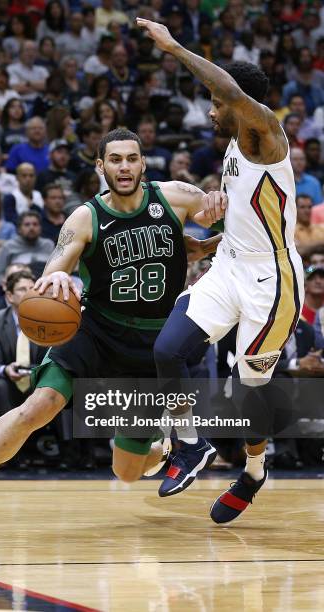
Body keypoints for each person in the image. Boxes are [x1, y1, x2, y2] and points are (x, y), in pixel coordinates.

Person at [0, 128, 225, 532]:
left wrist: (218, 209)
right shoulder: (85, 217)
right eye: (114, 159)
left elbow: (220, 216)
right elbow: (50, 272)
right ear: (101, 166)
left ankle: (166, 448)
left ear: (142, 163)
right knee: (37, 406)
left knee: (129, 471)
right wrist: (58, 281)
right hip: (96, 331)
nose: (124, 166)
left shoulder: (175, 196)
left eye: (131, 158)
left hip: (152, 345)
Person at [135, 18, 304, 522]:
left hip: (271, 283)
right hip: (230, 264)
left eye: (215, 104)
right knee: (168, 349)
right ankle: (190, 444)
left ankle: (253, 472)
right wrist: (205, 244)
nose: (210, 112)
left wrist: (172, 46)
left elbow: (226, 88)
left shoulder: (266, 135)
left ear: (239, 104)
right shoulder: (234, 143)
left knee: (247, 395)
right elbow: (248, 217)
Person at [0, 270, 47, 417]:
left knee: (57, 384)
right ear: (10, 296)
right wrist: (6, 369)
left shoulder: (49, 319)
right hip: (10, 382)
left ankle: (68, 440)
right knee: (0, 385)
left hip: (40, 380)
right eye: (22, 289)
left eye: (32, 289)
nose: (29, 292)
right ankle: (6, 437)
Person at [0, 211, 55, 286]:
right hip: (18, 289)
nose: (31, 228)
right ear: (19, 229)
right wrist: (10, 286)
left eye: (35, 224)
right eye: (27, 225)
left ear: (40, 228)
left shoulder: (48, 245)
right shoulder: (8, 247)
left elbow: (57, 270)